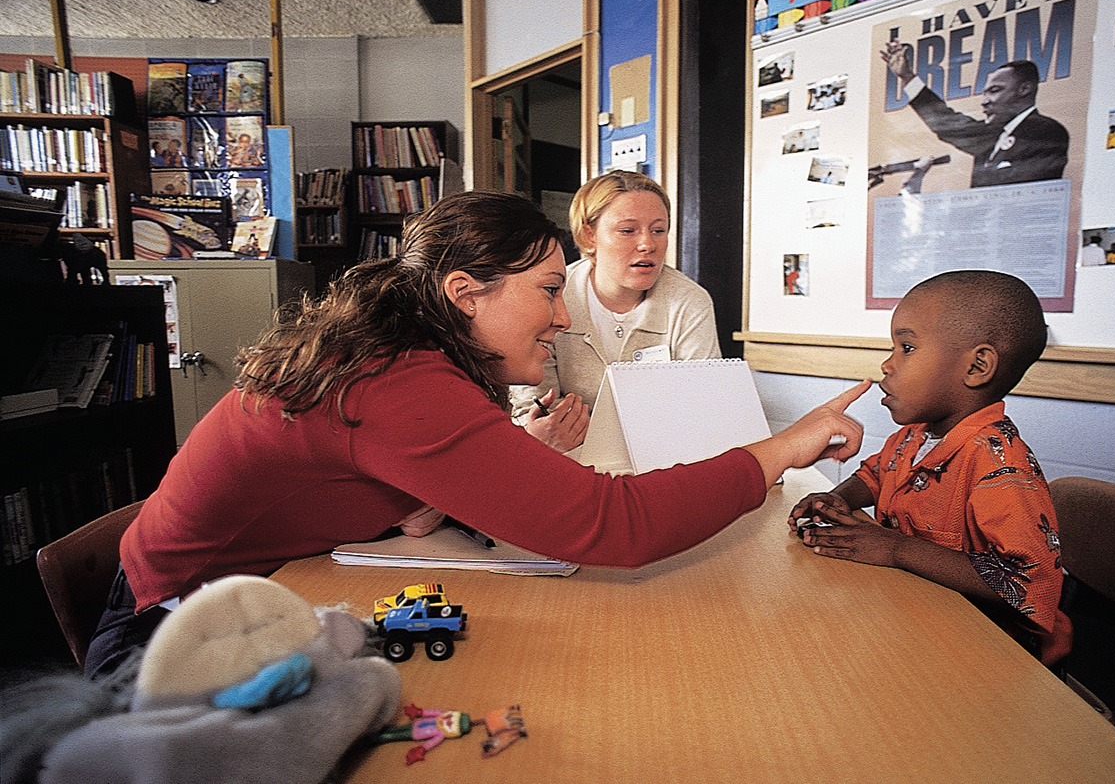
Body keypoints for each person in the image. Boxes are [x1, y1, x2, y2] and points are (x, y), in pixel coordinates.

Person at [85, 190, 870, 677]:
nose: (563, 317)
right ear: (464, 292)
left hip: (248, 593)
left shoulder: (406, 353)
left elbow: (410, 491)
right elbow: (615, 524)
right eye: (549, 291)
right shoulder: (397, 379)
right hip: (168, 637)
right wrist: (786, 444)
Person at [787, 270, 1070, 666]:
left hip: (988, 650)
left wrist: (896, 549)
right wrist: (835, 499)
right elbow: (876, 473)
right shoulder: (916, 435)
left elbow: (1030, 581)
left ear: (976, 367)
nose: (887, 364)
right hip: (914, 616)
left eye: (906, 347)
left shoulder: (1000, 464)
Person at [510, 171, 721, 452]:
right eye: (627, 230)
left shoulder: (690, 302)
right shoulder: (552, 295)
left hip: (662, 456)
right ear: (589, 236)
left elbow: (705, 407)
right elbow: (534, 408)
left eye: (658, 230)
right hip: (565, 457)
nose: (648, 244)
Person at [880, 42, 1069, 187]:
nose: (985, 101)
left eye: (995, 90)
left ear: (1025, 89)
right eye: (985, 93)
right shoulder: (994, 133)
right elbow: (946, 123)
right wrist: (907, 77)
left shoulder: (1047, 132)